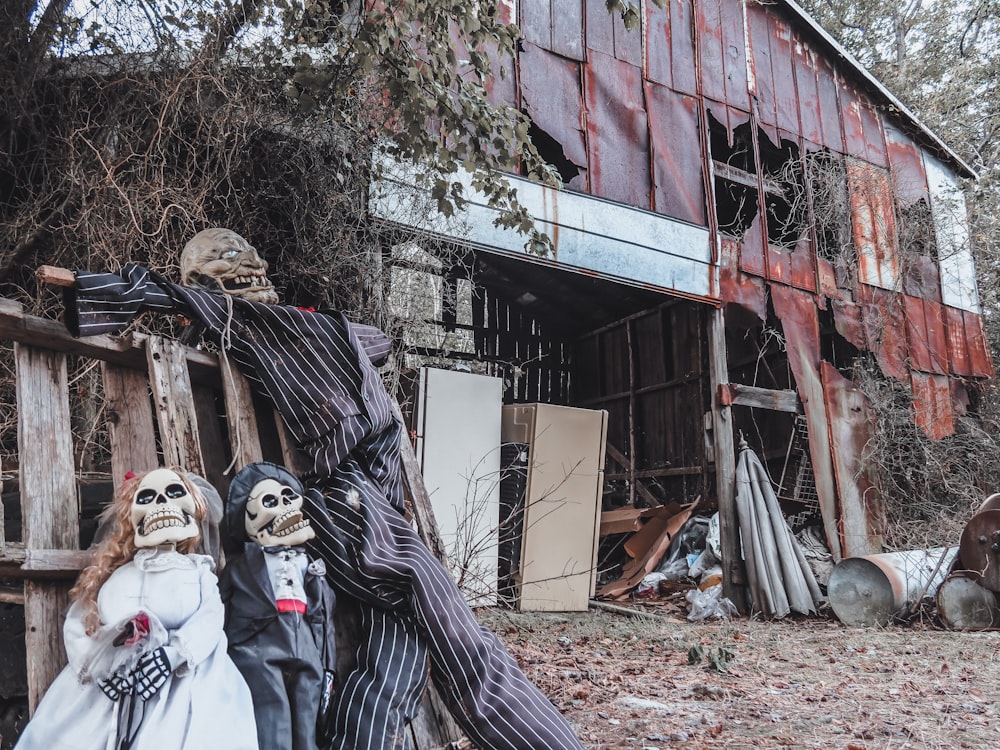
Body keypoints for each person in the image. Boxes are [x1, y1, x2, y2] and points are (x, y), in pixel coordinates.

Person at [63, 227, 585, 750]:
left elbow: (167, 295)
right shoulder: (273, 326)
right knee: (457, 636)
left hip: (365, 499)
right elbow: (373, 340)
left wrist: (124, 294)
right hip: (347, 504)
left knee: (404, 643)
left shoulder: (275, 327)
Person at [15, 468, 258, 750]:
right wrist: (98, 667)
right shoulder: (116, 576)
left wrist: (174, 655)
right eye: (147, 498)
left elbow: (211, 617)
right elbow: (79, 621)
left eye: (174, 493)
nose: (160, 504)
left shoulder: (198, 571)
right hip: (112, 680)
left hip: (180, 679)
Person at [219, 462, 338, 750]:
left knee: (308, 714)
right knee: (272, 715)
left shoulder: (310, 566)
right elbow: (219, 606)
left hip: (306, 644)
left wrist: (329, 667)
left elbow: (325, 615)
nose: (283, 507)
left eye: (288, 498)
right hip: (258, 645)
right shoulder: (240, 567)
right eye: (269, 502)